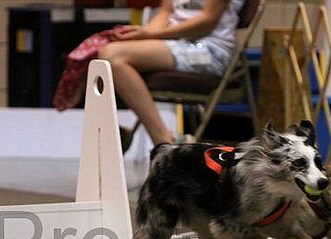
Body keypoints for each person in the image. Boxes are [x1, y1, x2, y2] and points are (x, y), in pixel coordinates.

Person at [97, 0, 245, 151]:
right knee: (103, 55)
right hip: (173, 42)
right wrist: (140, 34)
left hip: (209, 50)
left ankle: (163, 140)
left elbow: (207, 22)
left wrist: (150, 34)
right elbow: (165, 13)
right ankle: (114, 128)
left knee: (113, 57)